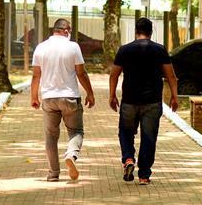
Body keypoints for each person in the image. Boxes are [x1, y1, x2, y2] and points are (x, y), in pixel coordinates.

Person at [109, 17, 178, 185]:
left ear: (136, 31)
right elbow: (171, 76)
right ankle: (144, 175)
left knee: (125, 132)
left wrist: (112, 95)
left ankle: (128, 159)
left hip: (129, 101)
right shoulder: (160, 50)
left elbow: (114, 75)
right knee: (149, 138)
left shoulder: (125, 50)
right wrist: (174, 96)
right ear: (151, 32)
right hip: (152, 102)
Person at [31, 18, 96, 182]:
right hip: (70, 97)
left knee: (51, 137)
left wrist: (34, 97)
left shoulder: (41, 47)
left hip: (48, 98)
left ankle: (53, 174)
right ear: (66, 31)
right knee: (76, 131)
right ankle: (71, 154)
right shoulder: (73, 47)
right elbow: (81, 73)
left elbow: (36, 75)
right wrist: (90, 93)